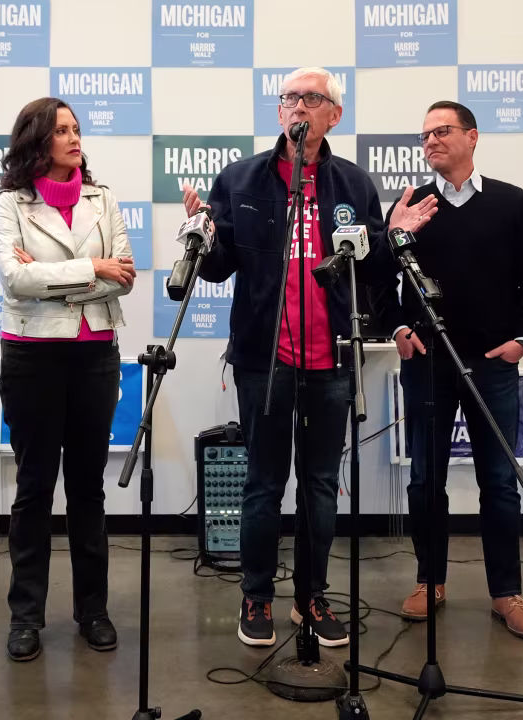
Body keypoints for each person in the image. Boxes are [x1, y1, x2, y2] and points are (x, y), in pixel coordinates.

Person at [182, 68, 438, 648]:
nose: (299, 108)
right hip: (262, 361)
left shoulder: (352, 184)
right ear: (279, 113)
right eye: (290, 99)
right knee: (263, 485)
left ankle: (311, 597)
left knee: (321, 484)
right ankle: (256, 594)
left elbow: (372, 275)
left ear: (333, 116)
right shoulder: (241, 180)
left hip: (331, 361)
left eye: (312, 99)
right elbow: (220, 267)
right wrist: (201, 233)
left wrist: (393, 237)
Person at [386, 101, 523, 640]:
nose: (431, 141)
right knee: (423, 479)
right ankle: (429, 581)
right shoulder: (413, 205)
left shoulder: (509, 202)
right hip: (428, 364)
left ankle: (506, 593)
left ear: (472, 136)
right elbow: (381, 280)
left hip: (491, 365)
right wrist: (398, 329)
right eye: (425, 134)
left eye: (442, 131)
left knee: (499, 482)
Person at [0, 97, 135, 663]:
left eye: (77, 129)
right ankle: (25, 617)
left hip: (95, 355)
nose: (75, 139)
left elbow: (121, 278)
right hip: (32, 357)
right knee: (32, 490)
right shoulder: (8, 203)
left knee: (87, 492)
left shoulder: (105, 199)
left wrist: (55, 275)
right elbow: (13, 281)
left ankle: (92, 611)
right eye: (61, 131)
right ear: (35, 140)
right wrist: (90, 269)